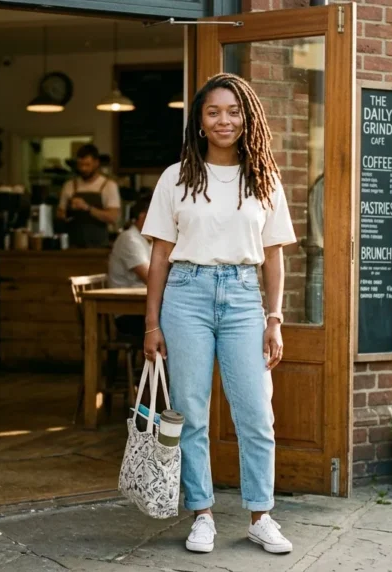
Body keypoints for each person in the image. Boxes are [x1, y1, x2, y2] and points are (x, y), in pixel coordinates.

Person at [142, 73, 297, 555]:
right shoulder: (177, 177)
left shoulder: (264, 178)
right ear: (200, 122)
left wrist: (275, 318)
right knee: (189, 412)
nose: (224, 120)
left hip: (244, 297)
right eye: (213, 112)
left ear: (247, 118)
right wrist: (151, 323)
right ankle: (202, 513)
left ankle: (260, 515)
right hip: (185, 296)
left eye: (233, 111)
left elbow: (274, 257)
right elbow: (160, 257)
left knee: (255, 411)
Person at [55, 144, 121, 248]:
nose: (83, 169)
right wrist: (68, 211)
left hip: (99, 246)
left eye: (87, 165)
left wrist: (87, 208)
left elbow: (113, 217)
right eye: (80, 165)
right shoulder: (69, 185)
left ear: (96, 163)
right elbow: (60, 214)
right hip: (72, 245)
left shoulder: (109, 186)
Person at [108, 196, 152, 338]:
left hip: (143, 309)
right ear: (142, 216)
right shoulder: (130, 238)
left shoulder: (147, 240)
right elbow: (150, 278)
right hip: (128, 313)